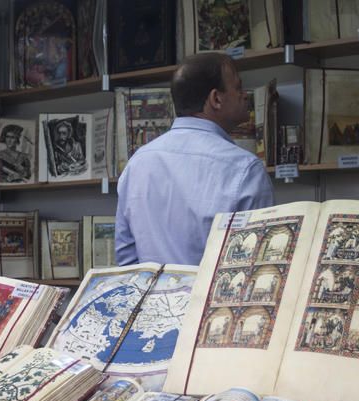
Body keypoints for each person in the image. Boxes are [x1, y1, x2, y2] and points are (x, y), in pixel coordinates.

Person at [115, 53, 274, 266]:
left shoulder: (137, 163)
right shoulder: (245, 169)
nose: (245, 95)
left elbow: (126, 259)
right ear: (216, 99)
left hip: (152, 298)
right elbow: (254, 265)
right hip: (212, 299)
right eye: (238, 87)